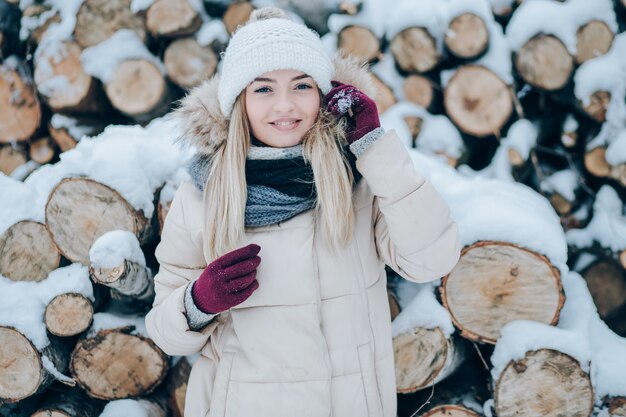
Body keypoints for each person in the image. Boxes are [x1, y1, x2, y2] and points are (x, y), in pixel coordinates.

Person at [145, 7, 460, 417]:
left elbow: (432, 259)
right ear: (238, 100)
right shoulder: (201, 195)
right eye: (262, 89)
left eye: (301, 86)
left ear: (323, 93)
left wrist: (374, 146)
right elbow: (164, 332)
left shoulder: (359, 180)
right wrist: (198, 302)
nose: (284, 106)